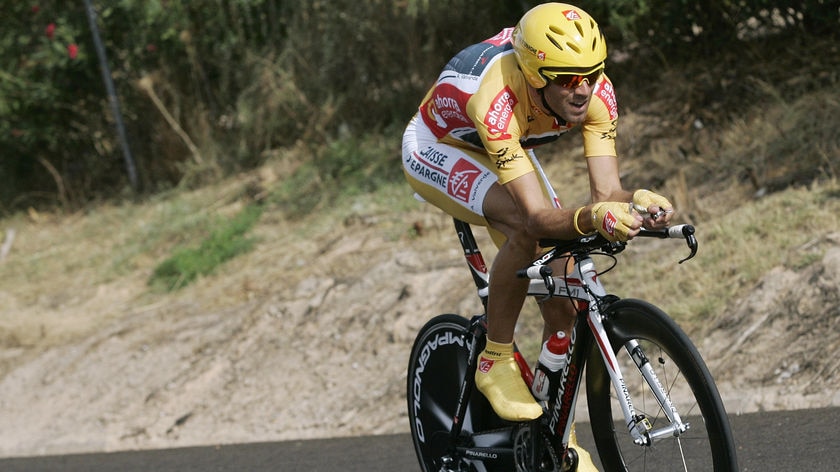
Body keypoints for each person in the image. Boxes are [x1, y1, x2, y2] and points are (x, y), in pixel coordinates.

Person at [401, 3, 673, 467]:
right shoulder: (496, 96)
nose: (582, 88)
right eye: (567, 78)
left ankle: (555, 445)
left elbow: (606, 191)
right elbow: (534, 218)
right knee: (525, 231)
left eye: (590, 73)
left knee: (565, 300)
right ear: (533, 73)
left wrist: (636, 201)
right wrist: (592, 218)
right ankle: (495, 358)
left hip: (503, 145)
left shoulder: (597, 93)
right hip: (438, 146)